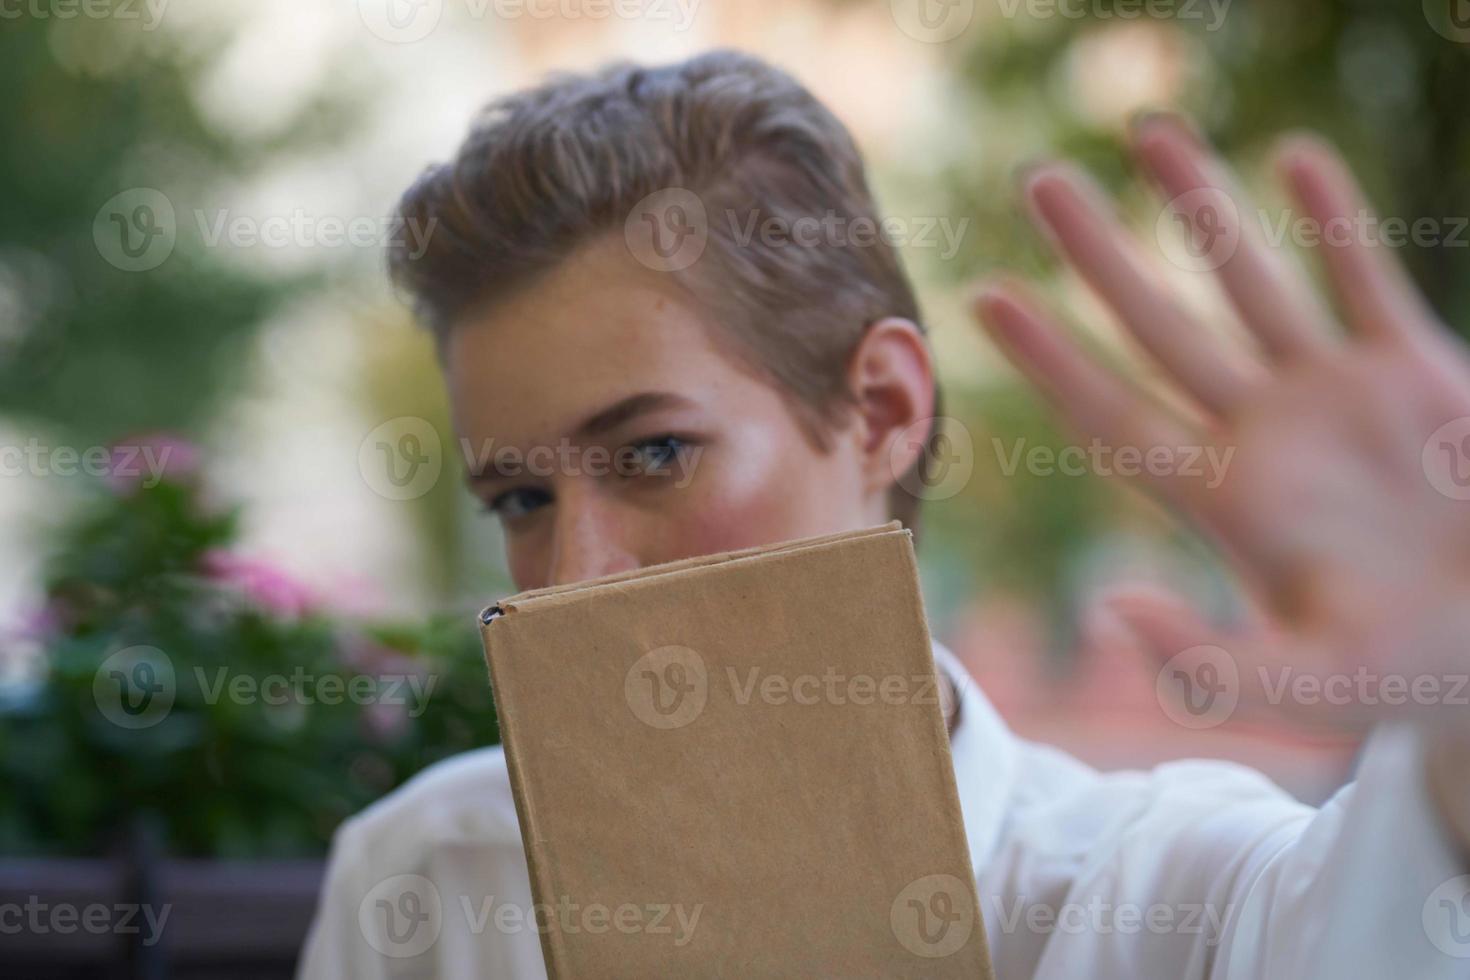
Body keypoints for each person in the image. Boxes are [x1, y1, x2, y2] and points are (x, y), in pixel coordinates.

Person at [298, 50, 1470, 978]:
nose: (576, 576)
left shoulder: (1154, 891)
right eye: (519, 497)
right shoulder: (423, 881)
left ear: (880, 408)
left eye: (654, 451)